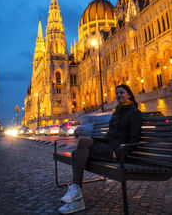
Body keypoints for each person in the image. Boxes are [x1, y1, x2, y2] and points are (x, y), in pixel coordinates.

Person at [58, 84, 142, 214]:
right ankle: (76, 194)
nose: (119, 95)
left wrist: (119, 152)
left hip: (116, 151)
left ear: (129, 95)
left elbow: (134, 139)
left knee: (79, 149)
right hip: (108, 145)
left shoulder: (134, 113)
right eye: (117, 93)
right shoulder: (117, 112)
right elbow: (110, 134)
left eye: (122, 92)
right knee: (79, 148)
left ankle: (76, 197)